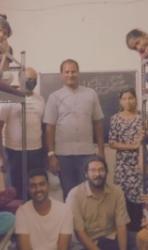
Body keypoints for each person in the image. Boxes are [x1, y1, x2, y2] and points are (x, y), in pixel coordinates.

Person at [67, 156, 148, 250]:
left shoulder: (116, 191)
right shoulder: (75, 195)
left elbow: (121, 225)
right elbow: (80, 235)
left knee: (147, 241)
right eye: (93, 170)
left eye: (101, 170)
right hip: (84, 245)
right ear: (86, 174)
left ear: (106, 172)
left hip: (109, 237)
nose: (97, 174)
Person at [44, 59, 105, 200]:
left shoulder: (91, 94)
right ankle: (71, 222)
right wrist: (51, 155)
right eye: (67, 72)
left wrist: (101, 150)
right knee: (69, 193)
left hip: (87, 153)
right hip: (63, 155)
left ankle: (88, 222)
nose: (70, 75)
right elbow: (49, 127)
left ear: (78, 73)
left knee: (89, 192)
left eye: (73, 71)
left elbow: (98, 123)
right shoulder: (54, 97)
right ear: (61, 75)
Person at [0, 67, 45, 200]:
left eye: (34, 80)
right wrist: (0, 155)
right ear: (20, 79)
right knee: (15, 191)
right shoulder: (9, 98)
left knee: (36, 190)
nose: (31, 82)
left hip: (36, 152)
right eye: (28, 79)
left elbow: (43, 126)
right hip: (14, 152)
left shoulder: (41, 100)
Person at [108, 86, 148, 231]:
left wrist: (144, 137)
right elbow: (112, 142)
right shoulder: (115, 118)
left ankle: (139, 230)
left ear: (136, 99)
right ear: (120, 101)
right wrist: (133, 146)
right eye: (124, 99)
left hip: (140, 161)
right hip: (123, 165)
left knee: (140, 197)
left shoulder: (144, 116)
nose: (128, 102)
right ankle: (124, 231)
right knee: (122, 197)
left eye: (131, 98)